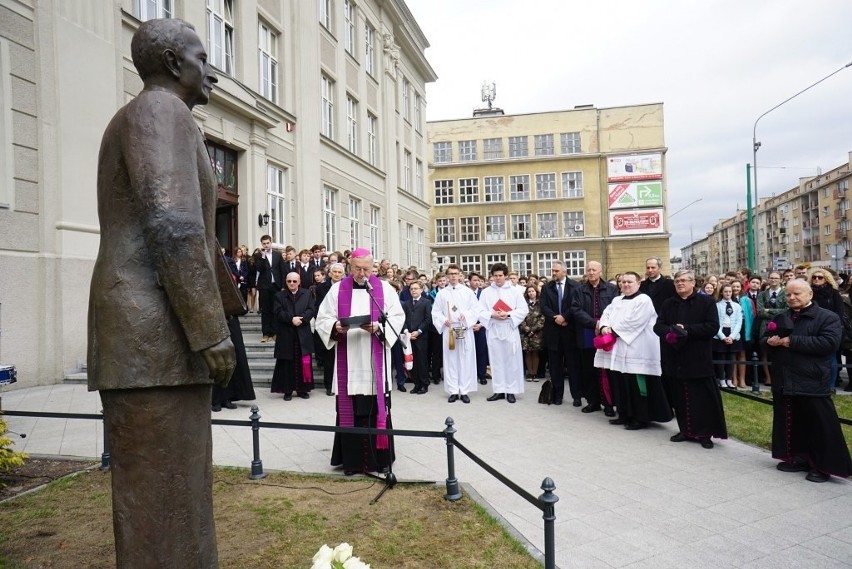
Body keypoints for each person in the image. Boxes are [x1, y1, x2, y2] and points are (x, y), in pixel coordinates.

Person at [87, 18, 235, 567]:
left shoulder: (155, 116)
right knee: (162, 501)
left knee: (173, 497)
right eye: (202, 56)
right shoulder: (159, 111)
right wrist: (209, 328)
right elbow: (172, 224)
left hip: (155, 336)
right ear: (174, 63)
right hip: (153, 336)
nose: (211, 70)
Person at [315, 248, 404, 474]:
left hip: (376, 362)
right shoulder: (337, 289)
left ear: (373, 267)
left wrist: (379, 327)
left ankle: (380, 460)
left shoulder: (383, 289)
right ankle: (352, 462)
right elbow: (322, 318)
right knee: (350, 408)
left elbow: (397, 317)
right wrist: (334, 327)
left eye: (366, 268)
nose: (361, 273)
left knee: (376, 409)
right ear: (349, 266)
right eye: (357, 268)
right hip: (349, 357)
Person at [763, 279, 852, 482]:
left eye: (797, 294)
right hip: (786, 379)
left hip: (812, 380)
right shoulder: (782, 316)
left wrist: (791, 341)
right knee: (794, 423)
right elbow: (764, 338)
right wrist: (770, 341)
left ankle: (822, 466)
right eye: (789, 295)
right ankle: (799, 457)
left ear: (810, 294)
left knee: (819, 426)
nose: (792, 298)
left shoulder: (827, 317)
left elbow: (829, 343)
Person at [654, 270, 728, 449]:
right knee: (679, 396)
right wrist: (671, 332)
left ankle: (704, 433)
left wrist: (686, 330)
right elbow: (658, 326)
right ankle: (685, 430)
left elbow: (712, 327)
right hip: (676, 357)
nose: (680, 284)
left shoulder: (706, 302)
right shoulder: (669, 303)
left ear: (693, 283)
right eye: (677, 281)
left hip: (698, 357)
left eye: (683, 281)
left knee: (702, 398)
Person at [595, 272, 672, 430]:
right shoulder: (617, 300)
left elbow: (635, 321)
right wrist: (603, 327)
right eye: (623, 282)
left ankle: (640, 418)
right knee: (620, 383)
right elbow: (606, 314)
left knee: (637, 386)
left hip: (637, 350)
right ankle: (624, 414)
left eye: (629, 282)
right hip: (619, 348)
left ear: (638, 284)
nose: (625, 284)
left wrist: (613, 331)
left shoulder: (643, 300)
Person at [571, 260, 618, 414]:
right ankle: (593, 401)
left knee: (606, 370)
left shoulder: (611, 289)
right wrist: (594, 323)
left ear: (600, 272)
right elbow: (576, 310)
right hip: (587, 331)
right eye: (589, 270)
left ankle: (609, 403)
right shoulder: (579, 290)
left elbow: (616, 309)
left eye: (594, 270)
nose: (591, 272)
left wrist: (604, 325)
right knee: (589, 369)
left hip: (606, 332)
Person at [479, 263, 528, 404]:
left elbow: (523, 310)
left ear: (505, 276)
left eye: (500, 275)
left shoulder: (514, 291)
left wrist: (508, 314)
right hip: (494, 328)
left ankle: (511, 390)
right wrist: (492, 314)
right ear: (492, 276)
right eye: (495, 276)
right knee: (496, 360)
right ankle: (499, 389)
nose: (498, 278)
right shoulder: (486, 292)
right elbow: (480, 310)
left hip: (509, 327)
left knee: (511, 360)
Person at [431, 264, 480, 403]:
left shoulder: (467, 292)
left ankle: (464, 390)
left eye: (455, 273)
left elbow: (476, 309)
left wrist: (465, 315)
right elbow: (436, 312)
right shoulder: (442, 294)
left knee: (464, 359)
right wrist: (443, 320)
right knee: (450, 360)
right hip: (449, 329)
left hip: (464, 328)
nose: (453, 276)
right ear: (447, 276)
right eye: (450, 273)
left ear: (460, 275)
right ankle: (453, 390)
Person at [540, 262, 581, 406]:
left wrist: (565, 317)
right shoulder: (547, 287)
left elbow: (576, 305)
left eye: (556, 270)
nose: (554, 273)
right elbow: (543, 307)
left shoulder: (575, 286)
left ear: (565, 271)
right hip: (553, 332)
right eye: (552, 270)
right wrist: (555, 318)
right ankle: (557, 395)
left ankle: (577, 396)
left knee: (573, 367)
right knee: (555, 367)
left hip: (570, 332)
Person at [271, 272, 316, 400]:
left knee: (304, 363)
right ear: (286, 282)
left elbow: (312, 309)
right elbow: (278, 312)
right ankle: (287, 390)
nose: (291, 283)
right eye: (289, 281)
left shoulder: (307, 293)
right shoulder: (279, 295)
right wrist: (291, 319)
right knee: (286, 364)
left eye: (294, 281)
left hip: (302, 332)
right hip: (286, 333)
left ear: (299, 281)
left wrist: (302, 319)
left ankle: (303, 390)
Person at [313, 262, 345, 396]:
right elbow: (319, 308)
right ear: (330, 273)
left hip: (344, 325)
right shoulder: (322, 288)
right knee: (329, 358)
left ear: (343, 274)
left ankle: (343, 384)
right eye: (334, 272)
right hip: (329, 325)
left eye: (339, 272)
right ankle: (328, 385)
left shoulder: (347, 286)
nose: (337, 274)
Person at [809, 269, 844, 387]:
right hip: (811, 328)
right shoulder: (808, 292)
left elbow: (839, 312)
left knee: (831, 358)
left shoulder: (834, 293)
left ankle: (831, 386)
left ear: (826, 279)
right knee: (812, 358)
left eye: (820, 277)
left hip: (829, 328)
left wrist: (832, 327)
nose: (816, 279)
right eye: (814, 277)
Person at [402, 281, 432, 394]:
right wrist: (406, 332)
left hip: (421, 336)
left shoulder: (426, 302)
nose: (413, 290)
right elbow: (403, 319)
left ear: (421, 289)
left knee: (422, 361)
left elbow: (428, 319)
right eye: (411, 289)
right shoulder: (406, 303)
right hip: (409, 336)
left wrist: (419, 331)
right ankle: (416, 383)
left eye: (416, 288)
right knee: (412, 361)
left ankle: (424, 383)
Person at [255, 235, 285, 342]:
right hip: (264, 287)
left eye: (267, 243)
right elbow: (258, 269)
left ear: (271, 243)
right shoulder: (259, 256)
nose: (266, 245)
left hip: (276, 286)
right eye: (264, 243)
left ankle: (275, 333)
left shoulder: (278, 254)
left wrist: (282, 286)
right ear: (261, 244)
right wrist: (263, 256)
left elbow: (282, 270)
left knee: (275, 310)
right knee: (265, 310)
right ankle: (266, 333)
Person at [713, 284, 743, 388]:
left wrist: (732, 336)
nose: (728, 293)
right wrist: (722, 336)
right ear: (722, 292)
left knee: (731, 358)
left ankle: (729, 379)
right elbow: (715, 322)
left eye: (730, 292)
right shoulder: (717, 306)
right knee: (721, 357)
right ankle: (722, 379)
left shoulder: (737, 306)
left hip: (733, 333)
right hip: (721, 333)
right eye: (726, 291)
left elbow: (739, 322)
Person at [468, 272, 490, 385]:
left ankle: (482, 375)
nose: (477, 282)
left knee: (481, 351)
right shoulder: (465, 293)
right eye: (474, 280)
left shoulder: (483, 294)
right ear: (469, 281)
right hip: (467, 327)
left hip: (481, 326)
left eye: (479, 280)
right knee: (468, 351)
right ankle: (470, 375)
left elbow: (487, 310)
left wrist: (481, 324)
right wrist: (469, 323)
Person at [520, 285, 545, 382]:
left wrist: (533, 330)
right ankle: (529, 373)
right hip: (525, 332)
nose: (531, 293)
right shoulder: (523, 303)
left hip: (537, 333)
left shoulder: (540, 304)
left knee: (535, 352)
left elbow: (542, 318)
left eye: (533, 291)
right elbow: (521, 317)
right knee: (527, 352)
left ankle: (535, 373)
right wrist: (527, 329)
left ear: (536, 292)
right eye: (529, 291)